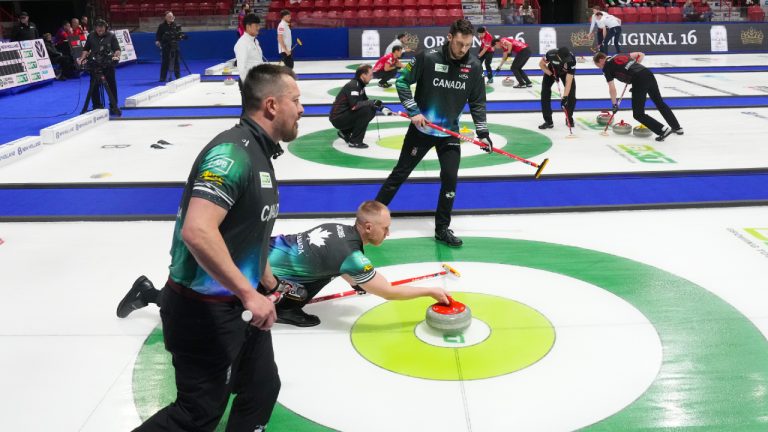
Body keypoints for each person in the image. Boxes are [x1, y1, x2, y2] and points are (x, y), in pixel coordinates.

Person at [129, 64, 303, 432]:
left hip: (238, 306)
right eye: (296, 100)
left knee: (261, 387)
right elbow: (197, 230)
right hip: (203, 313)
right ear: (271, 105)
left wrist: (269, 284)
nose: (301, 108)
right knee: (198, 414)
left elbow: (247, 232)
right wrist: (248, 292)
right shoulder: (232, 154)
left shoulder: (260, 152)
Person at [117, 201, 450, 327]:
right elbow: (389, 293)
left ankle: (289, 307)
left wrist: (356, 281)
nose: (388, 233)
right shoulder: (352, 255)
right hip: (255, 269)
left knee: (326, 275)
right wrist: (430, 291)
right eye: (385, 228)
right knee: (208, 310)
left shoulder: (338, 229)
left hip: (262, 254)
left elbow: (332, 263)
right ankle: (149, 294)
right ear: (366, 227)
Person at [375, 19, 491, 248]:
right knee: (400, 173)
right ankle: (370, 219)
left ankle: (442, 228)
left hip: (449, 133)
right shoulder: (427, 57)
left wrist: (483, 133)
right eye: (459, 44)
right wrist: (414, 111)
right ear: (449, 38)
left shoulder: (474, 66)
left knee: (450, 179)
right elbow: (402, 81)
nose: (463, 50)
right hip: (421, 129)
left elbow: (478, 102)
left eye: (468, 45)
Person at [593, 51, 683, 142]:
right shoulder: (619, 55)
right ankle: (677, 127)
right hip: (647, 73)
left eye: (598, 65)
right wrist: (633, 67)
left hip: (639, 80)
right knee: (659, 102)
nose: (600, 68)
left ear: (601, 60)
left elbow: (612, 88)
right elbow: (640, 54)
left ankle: (662, 130)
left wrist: (614, 104)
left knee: (638, 114)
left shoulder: (606, 67)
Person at [330, 64, 382, 149]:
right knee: (367, 110)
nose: (372, 77)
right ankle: (355, 141)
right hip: (338, 118)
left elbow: (365, 101)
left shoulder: (360, 85)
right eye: (370, 75)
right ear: (363, 75)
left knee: (371, 109)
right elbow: (354, 105)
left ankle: (345, 132)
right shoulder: (354, 85)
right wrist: (372, 102)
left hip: (343, 115)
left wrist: (381, 107)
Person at [78, 19, 122, 116]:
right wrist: (82, 58)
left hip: (108, 64)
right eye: (97, 27)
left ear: (105, 27)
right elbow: (86, 49)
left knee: (111, 86)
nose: (99, 29)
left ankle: (113, 106)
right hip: (95, 65)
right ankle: (97, 106)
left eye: (101, 27)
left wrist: (117, 56)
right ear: (95, 28)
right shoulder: (91, 36)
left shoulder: (111, 36)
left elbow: (117, 49)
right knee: (93, 86)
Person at [538, 47, 576, 130]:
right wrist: (551, 74)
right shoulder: (550, 54)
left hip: (566, 73)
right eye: (564, 59)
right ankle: (548, 121)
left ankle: (569, 118)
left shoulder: (572, 60)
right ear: (558, 56)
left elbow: (568, 81)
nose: (567, 60)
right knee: (545, 92)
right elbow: (541, 65)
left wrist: (565, 97)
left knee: (571, 95)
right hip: (552, 71)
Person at [156, 11, 181, 82]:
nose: (171, 18)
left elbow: (179, 35)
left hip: (174, 45)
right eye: (169, 16)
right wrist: (157, 41)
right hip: (165, 45)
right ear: (165, 17)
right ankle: (162, 77)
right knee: (165, 62)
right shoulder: (161, 26)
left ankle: (178, 76)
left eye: (172, 16)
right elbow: (158, 35)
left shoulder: (175, 25)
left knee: (176, 61)